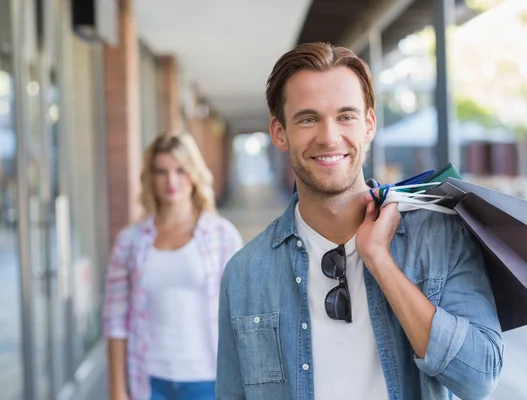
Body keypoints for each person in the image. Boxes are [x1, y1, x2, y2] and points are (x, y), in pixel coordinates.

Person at [215, 43, 503, 400]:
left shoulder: (441, 237)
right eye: (308, 118)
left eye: (345, 116)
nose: (329, 137)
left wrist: (380, 262)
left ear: (369, 125)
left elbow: (480, 379)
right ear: (279, 133)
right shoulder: (246, 273)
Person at [103, 132, 243, 400]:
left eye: (180, 170)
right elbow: (115, 320)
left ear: (194, 174)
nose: (171, 181)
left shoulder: (222, 235)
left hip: (208, 378)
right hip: (148, 381)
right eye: (161, 171)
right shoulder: (129, 241)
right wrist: (117, 390)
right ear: (150, 177)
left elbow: (242, 312)